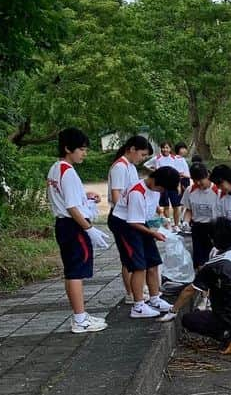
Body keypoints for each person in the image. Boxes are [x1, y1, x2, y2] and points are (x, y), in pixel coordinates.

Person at [47, 128, 109, 334]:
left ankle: (80, 315)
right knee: (75, 272)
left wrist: (86, 196)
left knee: (73, 270)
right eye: (81, 149)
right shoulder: (69, 172)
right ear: (67, 148)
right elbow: (72, 208)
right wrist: (89, 229)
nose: (84, 153)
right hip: (73, 226)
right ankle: (80, 318)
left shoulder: (56, 168)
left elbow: (67, 198)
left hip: (63, 225)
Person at [169, 217, 231, 355]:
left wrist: (173, 310)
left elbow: (190, 290)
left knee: (189, 320)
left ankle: (230, 336)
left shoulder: (215, 264)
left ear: (213, 240)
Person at [114, 166, 180, 319]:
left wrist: (162, 217)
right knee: (139, 266)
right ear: (156, 181)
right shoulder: (138, 192)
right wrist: (153, 233)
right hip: (126, 226)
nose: (161, 192)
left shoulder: (155, 189)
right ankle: (138, 306)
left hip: (142, 224)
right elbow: (132, 223)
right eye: (161, 188)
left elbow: (152, 207)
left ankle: (155, 299)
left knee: (153, 262)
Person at [107, 135, 152, 305]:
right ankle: (131, 293)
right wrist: (128, 216)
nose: (142, 159)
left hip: (131, 216)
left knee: (136, 255)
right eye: (141, 155)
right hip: (122, 217)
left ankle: (138, 289)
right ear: (132, 149)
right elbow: (116, 195)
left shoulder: (130, 166)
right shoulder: (119, 167)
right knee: (129, 257)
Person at [181, 162, 218, 269]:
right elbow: (189, 210)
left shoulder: (217, 190)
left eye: (200, 180)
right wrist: (185, 222)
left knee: (214, 259)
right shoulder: (190, 190)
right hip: (198, 227)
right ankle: (202, 281)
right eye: (195, 180)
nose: (198, 183)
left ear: (207, 175)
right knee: (199, 260)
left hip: (214, 227)